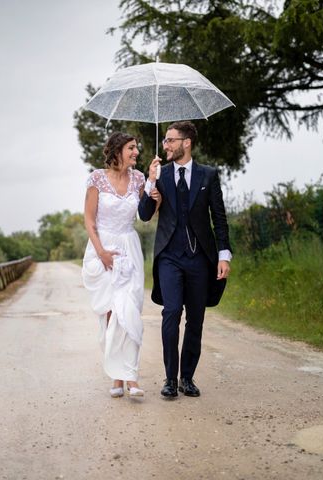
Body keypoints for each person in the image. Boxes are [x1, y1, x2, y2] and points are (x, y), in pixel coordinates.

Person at [138, 121, 232, 399]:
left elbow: (219, 217)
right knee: (171, 312)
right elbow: (144, 215)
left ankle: (187, 378)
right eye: (165, 140)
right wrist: (150, 182)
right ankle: (169, 379)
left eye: (170, 140)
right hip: (169, 257)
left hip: (200, 259)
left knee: (196, 318)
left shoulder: (208, 175)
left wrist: (223, 255)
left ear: (186, 142)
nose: (165, 145)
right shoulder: (161, 175)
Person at [82, 132, 160, 398]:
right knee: (110, 313)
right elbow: (89, 220)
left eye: (136, 148)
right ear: (117, 151)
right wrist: (101, 251)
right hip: (102, 248)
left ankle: (132, 376)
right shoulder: (96, 179)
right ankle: (117, 377)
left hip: (129, 248)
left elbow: (145, 215)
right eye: (131, 148)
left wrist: (152, 183)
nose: (136, 152)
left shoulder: (139, 179)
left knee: (129, 311)